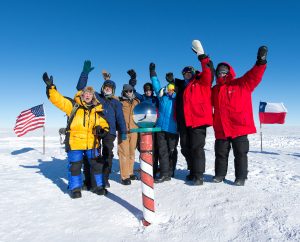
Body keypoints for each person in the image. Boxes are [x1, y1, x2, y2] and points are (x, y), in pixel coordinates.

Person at [42, 72, 109, 198]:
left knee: (96, 165)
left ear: (93, 96)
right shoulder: (72, 106)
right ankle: (75, 188)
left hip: (92, 143)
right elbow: (58, 100)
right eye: (86, 93)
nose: (88, 95)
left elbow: (104, 123)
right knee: (75, 166)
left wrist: (102, 130)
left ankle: (98, 186)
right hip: (75, 142)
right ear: (82, 95)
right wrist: (51, 88)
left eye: (90, 93)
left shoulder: (97, 110)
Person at [212, 46, 268, 186]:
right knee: (220, 154)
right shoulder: (214, 90)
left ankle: (241, 178)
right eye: (219, 72)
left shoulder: (242, 84)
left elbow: (254, 75)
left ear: (229, 72)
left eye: (224, 71)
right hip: (221, 127)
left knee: (241, 154)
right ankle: (219, 175)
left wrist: (260, 62)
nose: (221, 74)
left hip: (239, 127)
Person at [167, 40, 214, 185]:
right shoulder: (180, 87)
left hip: (198, 121)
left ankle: (198, 175)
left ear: (193, 73)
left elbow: (208, 71)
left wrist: (202, 56)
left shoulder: (202, 82)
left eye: (189, 72)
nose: (187, 74)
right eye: (185, 73)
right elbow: (170, 89)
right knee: (185, 148)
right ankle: (192, 170)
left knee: (197, 148)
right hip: (184, 122)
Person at [76, 61, 127, 188]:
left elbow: (120, 119)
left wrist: (124, 132)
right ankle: (91, 179)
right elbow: (81, 88)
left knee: (108, 154)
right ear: (102, 88)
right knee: (93, 155)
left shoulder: (116, 103)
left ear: (113, 90)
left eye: (110, 87)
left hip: (109, 133)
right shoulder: (97, 97)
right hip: (95, 131)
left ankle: (105, 178)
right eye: (105, 87)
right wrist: (85, 73)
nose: (107, 88)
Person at [127, 69, 160, 178]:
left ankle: (153, 170)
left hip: (153, 127)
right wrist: (132, 79)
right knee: (142, 148)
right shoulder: (142, 98)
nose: (147, 92)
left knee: (153, 149)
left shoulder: (156, 99)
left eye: (149, 90)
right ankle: (145, 167)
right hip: (142, 126)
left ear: (152, 91)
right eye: (146, 90)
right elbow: (132, 90)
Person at [148, 63, 178, 183]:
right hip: (160, 128)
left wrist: (173, 81)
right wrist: (152, 72)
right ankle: (165, 174)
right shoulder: (162, 97)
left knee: (172, 150)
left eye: (172, 89)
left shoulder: (177, 98)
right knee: (162, 151)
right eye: (168, 89)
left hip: (173, 129)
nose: (170, 91)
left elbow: (180, 88)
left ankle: (171, 170)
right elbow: (156, 85)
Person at [117, 84, 140, 185]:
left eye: (130, 90)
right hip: (124, 131)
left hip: (134, 131)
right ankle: (124, 176)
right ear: (124, 92)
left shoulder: (137, 101)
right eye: (126, 91)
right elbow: (110, 96)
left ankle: (130, 172)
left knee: (132, 153)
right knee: (123, 153)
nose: (129, 92)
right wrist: (107, 80)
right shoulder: (119, 101)